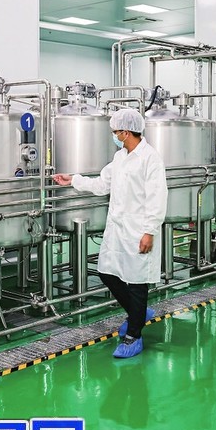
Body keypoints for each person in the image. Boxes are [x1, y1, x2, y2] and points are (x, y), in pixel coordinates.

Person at [53, 107, 168, 358]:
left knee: (137, 282)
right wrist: (73, 180)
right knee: (107, 272)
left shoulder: (150, 159)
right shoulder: (120, 157)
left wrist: (149, 231)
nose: (114, 135)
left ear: (126, 132)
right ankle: (139, 313)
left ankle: (134, 336)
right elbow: (102, 184)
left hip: (138, 230)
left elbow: (157, 197)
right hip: (117, 229)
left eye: (116, 132)